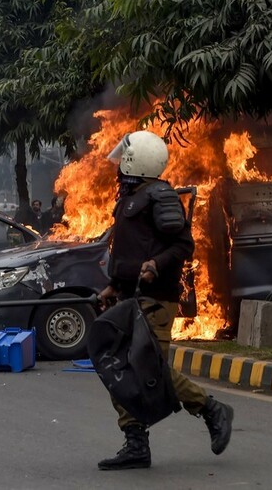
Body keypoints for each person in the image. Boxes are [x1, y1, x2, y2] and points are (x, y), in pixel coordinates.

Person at [96, 131, 233, 470]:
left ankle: (211, 408)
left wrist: (156, 265)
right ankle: (135, 443)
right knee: (119, 368)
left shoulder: (161, 196)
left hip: (155, 300)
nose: (119, 164)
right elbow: (129, 252)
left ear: (136, 161)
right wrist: (114, 285)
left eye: (124, 157)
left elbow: (182, 246)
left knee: (148, 370)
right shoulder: (130, 197)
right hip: (128, 297)